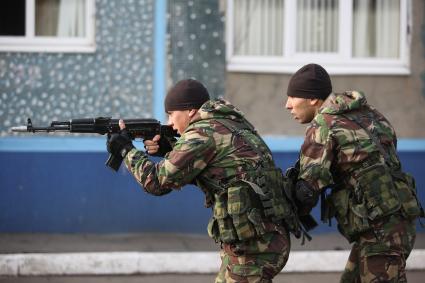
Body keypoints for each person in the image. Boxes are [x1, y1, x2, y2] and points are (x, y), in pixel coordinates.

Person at [107, 79, 301, 283]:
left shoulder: (202, 133)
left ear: (190, 111)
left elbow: (156, 182)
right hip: (260, 239)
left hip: (256, 247)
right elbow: (218, 172)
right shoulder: (229, 123)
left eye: (171, 114)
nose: (170, 123)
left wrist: (126, 150)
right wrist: (171, 151)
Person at [284, 63, 424, 282]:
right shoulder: (369, 114)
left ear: (312, 99)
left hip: (379, 231)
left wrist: (283, 213)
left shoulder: (324, 125)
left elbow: (307, 189)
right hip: (398, 220)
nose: (287, 105)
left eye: (293, 97)